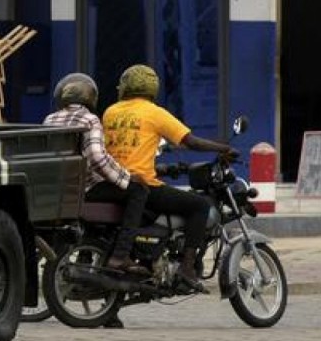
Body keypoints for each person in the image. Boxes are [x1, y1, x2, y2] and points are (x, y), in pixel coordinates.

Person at [101, 64, 239, 293]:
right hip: (142, 185)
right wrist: (224, 149)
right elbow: (190, 141)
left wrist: (163, 169)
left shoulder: (110, 112)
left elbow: (127, 151)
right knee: (199, 205)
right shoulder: (154, 112)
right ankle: (187, 269)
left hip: (116, 182)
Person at [43, 73, 149, 276]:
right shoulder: (89, 119)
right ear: (90, 97)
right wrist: (125, 178)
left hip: (61, 189)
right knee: (138, 191)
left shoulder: (50, 119)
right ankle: (121, 255)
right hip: (85, 188)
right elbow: (97, 157)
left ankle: (86, 256)